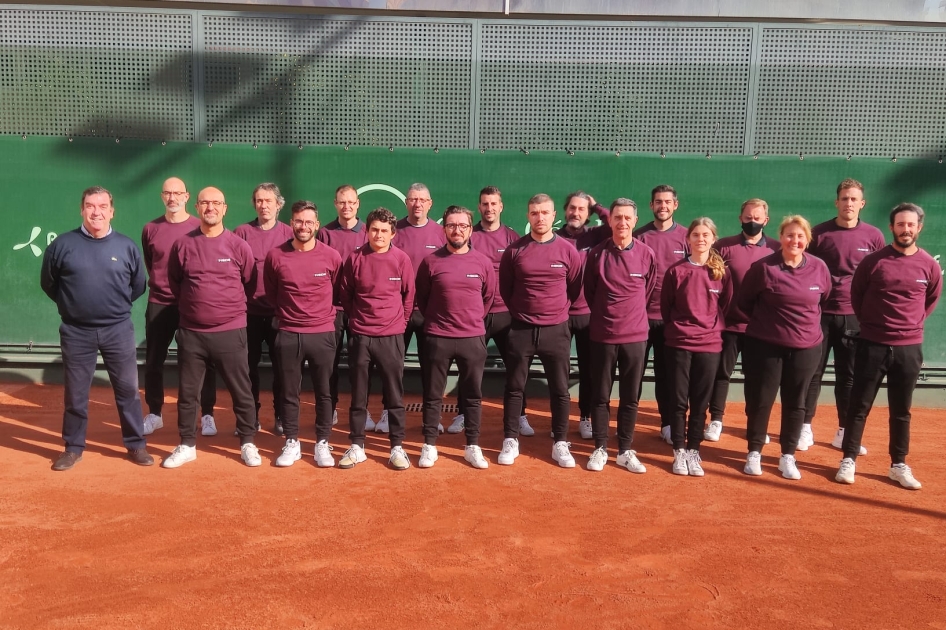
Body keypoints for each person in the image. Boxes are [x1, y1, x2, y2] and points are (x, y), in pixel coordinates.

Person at [40, 186, 153, 471]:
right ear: (82, 209)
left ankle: (136, 444)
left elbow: (138, 285)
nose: (96, 212)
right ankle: (73, 447)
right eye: (90, 205)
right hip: (76, 332)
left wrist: (111, 307)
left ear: (112, 211)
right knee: (76, 394)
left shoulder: (126, 246)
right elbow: (49, 283)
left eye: (103, 206)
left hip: (118, 330)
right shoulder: (62, 245)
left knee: (127, 390)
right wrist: (74, 306)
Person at [835, 203, 942, 488]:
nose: (905, 229)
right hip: (872, 345)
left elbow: (929, 301)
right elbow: (857, 298)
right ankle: (848, 460)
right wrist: (874, 326)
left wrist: (909, 327)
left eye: (910, 225)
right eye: (900, 224)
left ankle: (898, 464)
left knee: (901, 409)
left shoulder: (929, 265)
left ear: (919, 228)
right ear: (891, 227)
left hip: (909, 349)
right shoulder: (873, 262)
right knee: (859, 405)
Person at [163, 187, 261, 468]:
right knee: (188, 392)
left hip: (230, 330)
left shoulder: (238, 246)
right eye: (205, 202)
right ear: (196, 207)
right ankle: (186, 444)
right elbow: (175, 282)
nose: (211, 207)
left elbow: (249, 282)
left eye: (216, 202)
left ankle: (247, 442)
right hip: (192, 333)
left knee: (242, 390)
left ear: (225, 208)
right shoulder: (182, 245)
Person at [739, 215, 830, 480]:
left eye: (800, 236)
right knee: (760, 401)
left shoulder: (820, 268)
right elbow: (745, 303)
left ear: (807, 240)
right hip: (765, 347)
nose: (795, 240)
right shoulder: (763, 268)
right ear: (781, 237)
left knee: (796, 403)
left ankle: (787, 456)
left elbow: (823, 299)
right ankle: (754, 452)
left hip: (806, 347)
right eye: (790, 235)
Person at [498, 193, 582, 467]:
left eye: (545, 212)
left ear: (553, 214)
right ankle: (510, 439)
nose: (540, 217)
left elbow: (574, 288)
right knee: (514, 387)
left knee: (559, 390)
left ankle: (560, 442)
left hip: (556, 330)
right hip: (521, 329)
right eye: (534, 213)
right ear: (528, 216)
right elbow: (506, 290)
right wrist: (525, 314)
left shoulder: (568, 250)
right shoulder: (515, 250)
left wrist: (553, 313)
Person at [803, 179, 885, 453]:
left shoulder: (874, 236)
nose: (849, 203)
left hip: (854, 318)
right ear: (836, 202)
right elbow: (806, 269)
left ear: (862, 204)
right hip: (820, 315)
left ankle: (844, 431)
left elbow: (878, 278)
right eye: (844, 198)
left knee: (848, 376)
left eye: (854, 199)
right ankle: (804, 428)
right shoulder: (819, 234)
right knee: (812, 373)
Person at [448, 186, 534, 436]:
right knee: (468, 368)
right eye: (485, 204)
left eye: (493, 203)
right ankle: (462, 414)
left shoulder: (511, 237)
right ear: (479, 207)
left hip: (506, 315)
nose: (489, 208)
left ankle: (520, 416)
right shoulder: (468, 235)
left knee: (517, 367)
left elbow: (520, 276)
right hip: (474, 316)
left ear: (501, 206)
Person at [415, 206, 495, 469]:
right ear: (444, 229)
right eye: (451, 225)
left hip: (473, 339)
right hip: (438, 338)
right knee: (433, 394)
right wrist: (441, 322)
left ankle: (472, 445)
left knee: (472, 394)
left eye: (462, 225)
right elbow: (423, 299)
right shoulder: (430, 262)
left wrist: (469, 323)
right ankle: (429, 445)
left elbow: (487, 298)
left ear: (471, 230)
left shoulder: (482, 263)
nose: (457, 230)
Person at [337, 207, 415, 470]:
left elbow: (408, 296)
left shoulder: (402, 259)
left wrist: (400, 324)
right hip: (361, 336)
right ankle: (357, 445)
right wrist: (359, 322)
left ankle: (397, 447)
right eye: (374, 229)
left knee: (394, 394)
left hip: (391, 337)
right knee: (359, 395)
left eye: (384, 230)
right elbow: (346, 295)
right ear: (367, 230)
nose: (379, 234)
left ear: (392, 233)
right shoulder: (355, 258)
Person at [265, 200, 342, 468]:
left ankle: (322, 442)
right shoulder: (275, 256)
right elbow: (273, 293)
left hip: (322, 334)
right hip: (288, 333)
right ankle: (292, 441)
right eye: (298, 221)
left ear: (317, 225)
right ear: (291, 223)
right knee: (289, 392)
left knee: (324, 392)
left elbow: (336, 291)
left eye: (309, 222)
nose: (303, 226)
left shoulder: (332, 256)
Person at [140, 177, 218, 437]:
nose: (172, 198)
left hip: (192, 306)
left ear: (187, 197)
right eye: (167, 193)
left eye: (177, 193)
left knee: (202, 363)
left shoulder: (200, 226)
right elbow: (153, 265)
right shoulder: (150, 228)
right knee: (153, 361)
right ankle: (154, 413)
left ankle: (207, 414)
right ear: (162, 196)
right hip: (159, 304)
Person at [584, 199, 656, 473]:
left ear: (635, 221)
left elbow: (646, 293)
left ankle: (625, 450)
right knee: (601, 396)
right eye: (618, 218)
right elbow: (591, 292)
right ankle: (600, 447)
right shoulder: (596, 254)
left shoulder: (647, 254)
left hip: (636, 337)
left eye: (628, 218)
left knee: (630, 397)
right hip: (603, 335)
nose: (622, 223)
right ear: (610, 221)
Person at [661, 218, 732, 477]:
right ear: (688, 239)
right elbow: (666, 308)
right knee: (679, 401)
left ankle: (693, 451)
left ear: (713, 239)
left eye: (706, 235)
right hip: (679, 344)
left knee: (700, 403)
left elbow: (726, 304)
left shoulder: (721, 272)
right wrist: (681, 330)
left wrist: (710, 328)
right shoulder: (676, 271)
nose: (700, 239)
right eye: (696, 235)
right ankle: (679, 451)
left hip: (710, 345)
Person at [705, 199, 780, 443]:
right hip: (727, 326)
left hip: (761, 329)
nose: (752, 222)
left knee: (757, 379)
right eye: (748, 217)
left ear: (766, 221)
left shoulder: (777, 250)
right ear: (740, 218)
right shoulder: (723, 247)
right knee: (720, 375)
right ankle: (716, 419)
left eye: (757, 218)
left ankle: (754, 425)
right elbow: (711, 283)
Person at [234, 183, 293, 435]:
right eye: (259, 200)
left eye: (268, 201)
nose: (263, 205)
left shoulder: (290, 234)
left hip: (281, 314)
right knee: (247, 368)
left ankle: (280, 416)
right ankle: (250, 418)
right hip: (248, 313)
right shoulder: (242, 232)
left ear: (279, 204)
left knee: (283, 369)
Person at [633, 185, 689, 445]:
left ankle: (667, 423)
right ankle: (627, 422)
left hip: (672, 321)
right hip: (640, 319)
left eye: (667, 201)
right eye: (658, 201)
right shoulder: (639, 237)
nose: (663, 206)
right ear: (651, 205)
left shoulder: (688, 237)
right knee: (634, 373)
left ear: (675, 205)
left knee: (668, 376)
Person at [554, 191, 612, 439]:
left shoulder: (597, 235)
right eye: (572, 208)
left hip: (589, 315)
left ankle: (585, 416)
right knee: (559, 370)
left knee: (590, 369)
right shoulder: (554, 238)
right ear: (565, 211)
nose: (575, 213)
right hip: (560, 315)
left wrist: (597, 204)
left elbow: (615, 222)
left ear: (588, 215)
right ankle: (559, 420)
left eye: (581, 209)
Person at [391, 182, 446, 434]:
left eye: (422, 200)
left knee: (431, 366)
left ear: (430, 203)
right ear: (406, 203)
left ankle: (432, 417)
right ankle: (387, 413)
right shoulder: (394, 231)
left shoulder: (441, 233)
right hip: (396, 312)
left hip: (429, 313)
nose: (417, 204)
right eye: (413, 199)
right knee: (392, 365)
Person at [316, 184, 369, 428]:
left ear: (358, 204)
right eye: (341, 202)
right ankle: (332, 408)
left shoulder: (370, 232)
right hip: (332, 311)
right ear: (335, 204)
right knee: (330, 363)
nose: (346, 206)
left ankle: (363, 410)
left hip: (361, 309)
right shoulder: (324, 233)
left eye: (351, 202)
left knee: (361, 363)